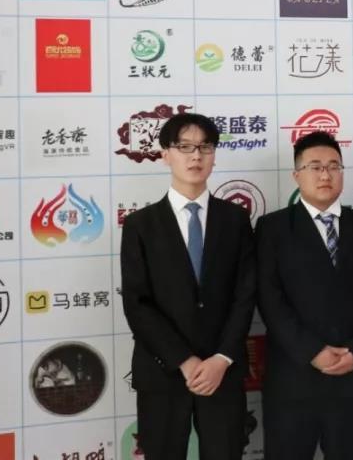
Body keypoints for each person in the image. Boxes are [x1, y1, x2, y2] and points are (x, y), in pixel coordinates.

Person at [120, 112, 256, 460]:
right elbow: (137, 303)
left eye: (205, 147)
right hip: (163, 373)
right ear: (165, 154)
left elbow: (245, 295)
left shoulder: (236, 220)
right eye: (185, 147)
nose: (196, 156)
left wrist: (221, 358)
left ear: (214, 155)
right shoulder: (140, 225)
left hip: (222, 372)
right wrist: (183, 360)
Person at [256, 131, 353, 459]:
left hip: (352, 375)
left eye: (333, 166)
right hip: (293, 377)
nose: (325, 175)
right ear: (296, 175)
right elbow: (269, 298)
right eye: (315, 167)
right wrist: (311, 351)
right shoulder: (272, 228)